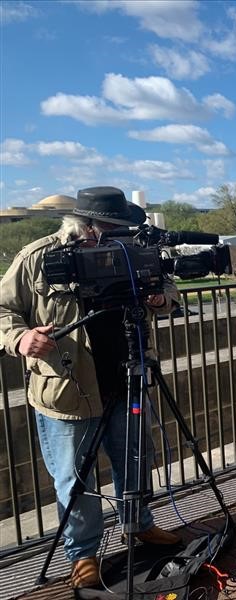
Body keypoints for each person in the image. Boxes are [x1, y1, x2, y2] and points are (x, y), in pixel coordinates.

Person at [0, 187, 182, 589]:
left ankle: (138, 526)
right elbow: (2, 309)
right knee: (75, 477)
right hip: (68, 389)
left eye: (123, 230)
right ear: (85, 227)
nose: (119, 237)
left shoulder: (132, 249)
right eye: (110, 230)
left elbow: (168, 290)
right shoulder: (37, 257)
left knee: (135, 458)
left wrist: (158, 298)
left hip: (126, 378)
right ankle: (83, 555)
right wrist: (20, 338)